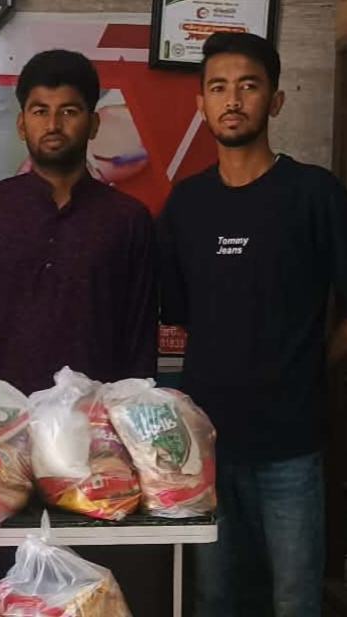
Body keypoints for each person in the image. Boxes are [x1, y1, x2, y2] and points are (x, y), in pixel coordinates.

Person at [158, 32, 345, 617]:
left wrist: (314, 366)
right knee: (214, 598)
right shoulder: (186, 204)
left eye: (249, 86)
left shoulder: (314, 193)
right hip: (207, 447)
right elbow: (180, 313)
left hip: (292, 445)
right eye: (218, 88)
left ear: (276, 100)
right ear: (201, 104)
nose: (233, 100)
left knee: (294, 599)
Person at [0, 49, 158, 393]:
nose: (53, 125)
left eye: (69, 111)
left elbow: (139, 336)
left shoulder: (128, 218)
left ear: (93, 124)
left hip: (90, 416)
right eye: (40, 111)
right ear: (21, 125)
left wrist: (132, 410)